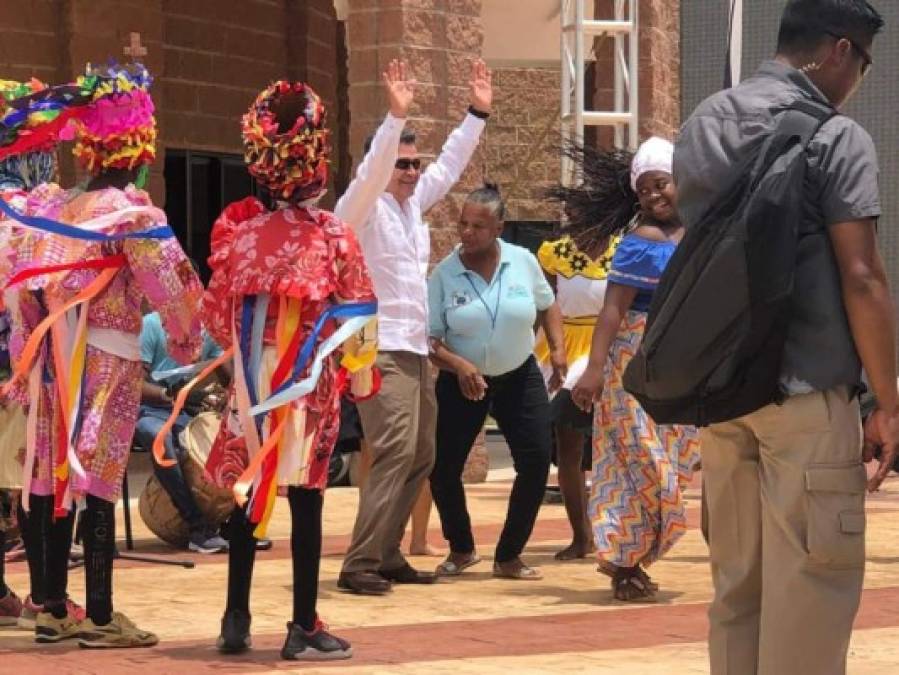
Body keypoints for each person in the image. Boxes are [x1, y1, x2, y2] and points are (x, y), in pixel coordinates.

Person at [673, 2, 894, 673]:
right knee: (810, 592)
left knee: (737, 591)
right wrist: (886, 400)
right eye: (861, 61)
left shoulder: (702, 124)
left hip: (721, 394)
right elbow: (860, 277)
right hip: (803, 395)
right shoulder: (836, 137)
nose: (857, 77)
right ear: (836, 49)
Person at [2, 62, 203, 648]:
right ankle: (101, 613)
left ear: (89, 149)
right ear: (140, 147)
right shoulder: (135, 217)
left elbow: (25, 290)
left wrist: (30, 353)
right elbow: (178, 290)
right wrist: (190, 343)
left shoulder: (54, 211)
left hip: (53, 365)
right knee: (97, 482)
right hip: (109, 362)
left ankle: (50, 607)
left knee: (51, 475)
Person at [201, 80, 377, 661]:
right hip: (307, 389)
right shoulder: (332, 236)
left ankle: (235, 617)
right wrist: (360, 376)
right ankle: (302, 624)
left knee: (251, 494)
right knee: (305, 500)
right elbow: (357, 317)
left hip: (255, 386)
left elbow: (217, 315)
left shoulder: (241, 235)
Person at [334, 59, 492, 594]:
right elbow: (372, 173)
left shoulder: (411, 208)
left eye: (412, 163)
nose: (410, 171)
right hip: (376, 348)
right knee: (396, 450)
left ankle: (387, 552)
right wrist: (393, 118)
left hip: (414, 349)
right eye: (401, 164)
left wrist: (477, 113)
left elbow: (447, 167)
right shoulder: (361, 208)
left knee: (422, 454)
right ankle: (358, 563)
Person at [571, 138, 700, 601]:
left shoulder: (696, 233)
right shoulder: (641, 242)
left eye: (660, 184)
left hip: (680, 363)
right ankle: (622, 561)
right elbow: (611, 311)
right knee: (638, 461)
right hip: (634, 364)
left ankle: (634, 558)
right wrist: (593, 370)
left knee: (674, 460)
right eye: (644, 190)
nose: (653, 196)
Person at [428, 183, 566, 580]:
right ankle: (461, 547)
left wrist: (556, 349)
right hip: (462, 381)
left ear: (499, 227)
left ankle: (509, 556)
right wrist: (458, 365)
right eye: (463, 224)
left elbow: (548, 304)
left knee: (538, 461)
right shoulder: (444, 274)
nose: (467, 232)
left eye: (478, 226)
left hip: (519, 375)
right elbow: (429, 340)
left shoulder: (523, 260)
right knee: (443, 468)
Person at [0, 78, 92, 632]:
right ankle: (45, 595)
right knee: (31, 477)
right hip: (24, 364)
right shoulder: (30, 212)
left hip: (16, 359)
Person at [536, 151, 626, 560]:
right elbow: (547, 303)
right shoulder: (554, 253)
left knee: (616, 445)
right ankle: (582, 535)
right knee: (567, 444)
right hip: (565, 347)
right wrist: (552, 352)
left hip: (608, 348)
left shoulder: (625, 250)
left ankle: (619, 532)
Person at [133, 309, 229, 554]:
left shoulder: (207, 326)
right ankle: (197, 525)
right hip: (148, 410)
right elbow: (134, 383)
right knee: (160, 439)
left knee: (231, 437)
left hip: (187, 411)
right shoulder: (151, 325)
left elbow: (223, 370)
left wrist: (232, 399)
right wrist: (170, 395)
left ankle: (235, 523)